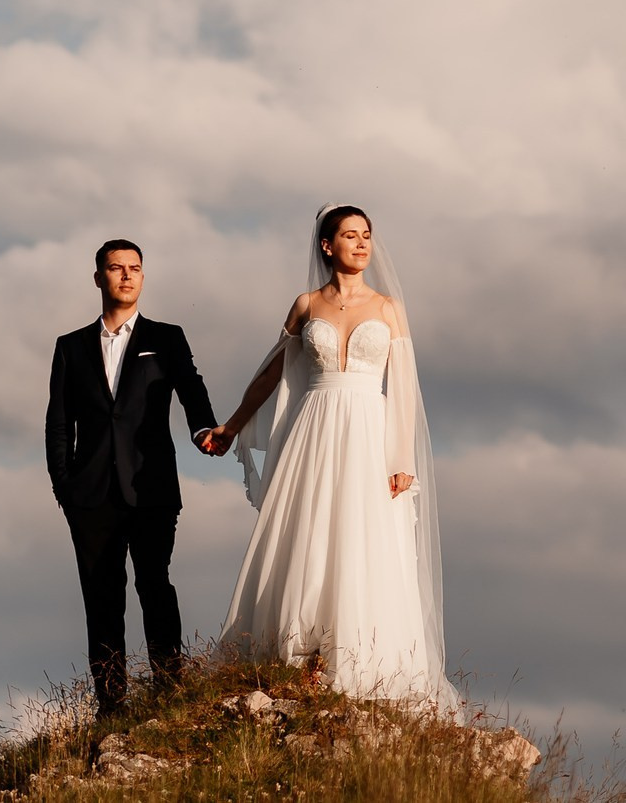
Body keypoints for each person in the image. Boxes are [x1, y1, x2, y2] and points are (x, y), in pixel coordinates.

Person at [203, 205, 458, 709]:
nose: (362, 244)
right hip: (315, 429)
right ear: (327, 245)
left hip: (368, 430)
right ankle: (300, 652)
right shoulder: (306, 305)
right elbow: (272, 373)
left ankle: (358, 658)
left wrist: (400, 457)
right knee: (309, 529)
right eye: (349, 235)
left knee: (361, 535)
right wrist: (231, 426)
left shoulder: (387, 309)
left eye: (367, 236)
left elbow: (403, 386)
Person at [44, 239, 223, 712]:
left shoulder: (167, 338)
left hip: (152, 489)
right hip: (90, 496)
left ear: (143, 276)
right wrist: (66, 487)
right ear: (98, 277)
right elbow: (58, 424)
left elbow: (191, 389)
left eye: (135, 268)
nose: (126, 275)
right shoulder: (70, 347)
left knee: (154, 585)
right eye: (116, 268)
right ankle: (111, 705)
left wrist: (204, 427)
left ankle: (169, 690)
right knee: (101, 601)